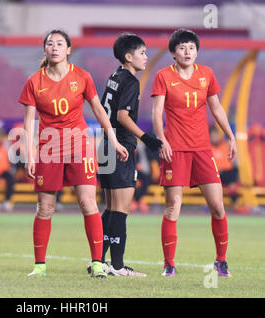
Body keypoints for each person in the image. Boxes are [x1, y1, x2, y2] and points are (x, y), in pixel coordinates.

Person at [19, 29, 129, 278]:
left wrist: (113, 139)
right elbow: (28, 122)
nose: (54, 47)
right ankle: (39, 266)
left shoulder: (82, 76)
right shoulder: (34, 81)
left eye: (60, 44)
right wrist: (28, 153)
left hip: (79, 145)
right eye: (50, 43)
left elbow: (100, 111)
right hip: (49, 148)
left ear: (69, 49)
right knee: (45, 208)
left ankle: (98, 263)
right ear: (45, 49)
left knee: (87, 203)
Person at [151, 29, 237, 277]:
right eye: (182, 48)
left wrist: (230, 136)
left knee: (218, 207)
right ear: (173, 53)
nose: (187, 52)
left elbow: (217, 108)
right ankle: (169, 264)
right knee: (173, 207)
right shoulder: (163, 76)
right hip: (174, 149)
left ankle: (221, 261)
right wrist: (162, 140)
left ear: (197, 51)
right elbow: (157, 112)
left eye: (191, 47)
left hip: (202, 150)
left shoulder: (206, 74)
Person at [97, 33, 162, 277]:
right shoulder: (131, 82)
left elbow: (104, 112)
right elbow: (123, 116)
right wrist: (147, 138)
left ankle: (99, 261)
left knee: (111, 207)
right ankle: (117, 265)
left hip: (106, 145)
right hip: (121, 146)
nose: (146, 57)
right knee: (121, 209)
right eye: (142, 52)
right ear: (129, 56)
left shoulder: (114, 76)